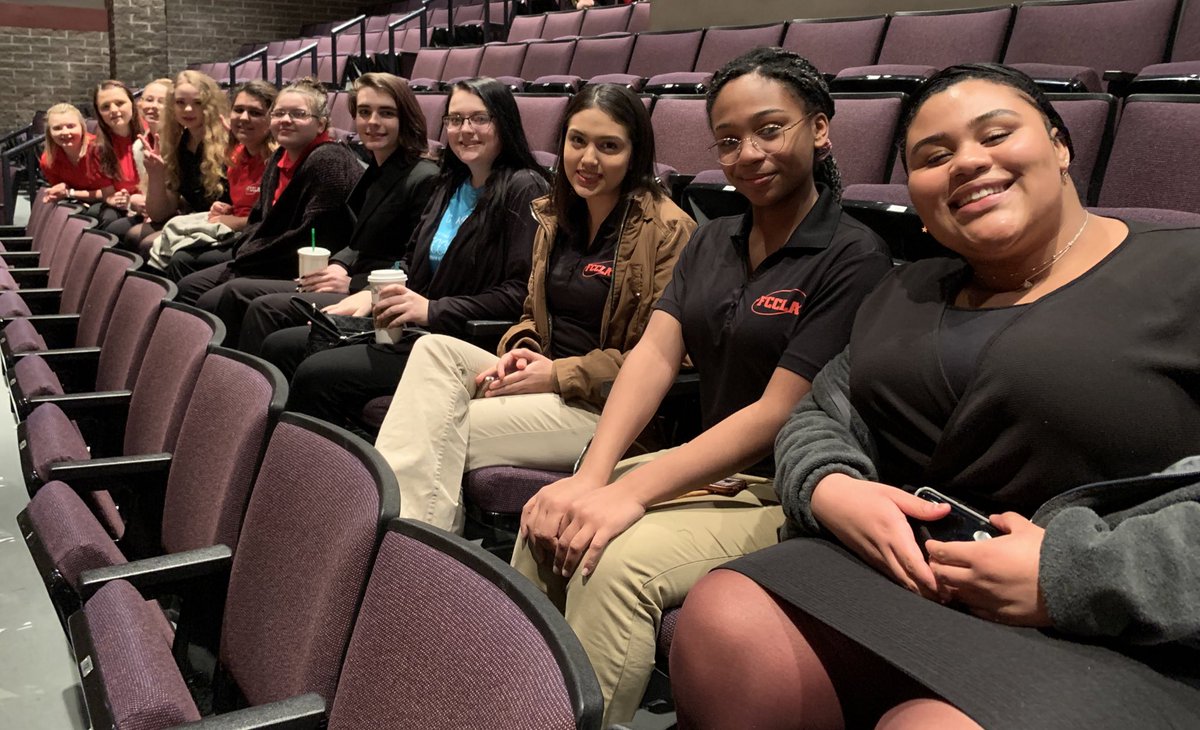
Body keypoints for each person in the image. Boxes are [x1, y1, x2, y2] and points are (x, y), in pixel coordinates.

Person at [669, 63, 1200, 730]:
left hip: (1116, 627)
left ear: (1061, 144)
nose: (967, 164)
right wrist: (830, 486)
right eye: (933, 155)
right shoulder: (906, 288)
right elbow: (819, 415)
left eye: (995, 134)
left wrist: (1070, 573)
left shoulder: (1186, 271)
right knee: (726, 622)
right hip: (905, 576)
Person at [501, 49, 892, 725]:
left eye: (771, 129)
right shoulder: (712, 240)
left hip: (789, 490)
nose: (749, 154)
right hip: (708, 475)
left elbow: (777, 411)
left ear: (820, 129)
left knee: (608, 561)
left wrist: (628, 491)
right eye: (730, 140)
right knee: (550, 516)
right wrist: (593, 474)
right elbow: (653, 357)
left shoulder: (855, 256)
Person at [372, 82, 696, 524]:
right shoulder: (556, 215)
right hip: (542, 382)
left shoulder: (669, 231)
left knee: (431, 428)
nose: (587, 159)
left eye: (608, 146)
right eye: (577, 140)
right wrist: (521, 348)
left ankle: (409, 547)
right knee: (434, 351)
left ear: (635, 153)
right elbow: (530, 313)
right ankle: (417, 543)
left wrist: (557, 375)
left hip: (606, 411)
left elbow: (663, 361)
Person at [259, 76, 549, 433]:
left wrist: (431, 309)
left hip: (463, 341)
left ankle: (328, 478)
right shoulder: (451, 184)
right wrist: (369, 295)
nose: (465, 129)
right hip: (415, 329)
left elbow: (519, 294)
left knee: (318, 373)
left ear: (503, 122)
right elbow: (410, 262)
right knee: (281, 345)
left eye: (479, 118)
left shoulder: (524, 187)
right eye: (455, 120)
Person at [210, 72, 438, 352]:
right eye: (365, 112)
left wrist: (352, 282)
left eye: (386, 113)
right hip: (351, 277)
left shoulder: (423, 177)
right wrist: (339, 264)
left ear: (405, 118)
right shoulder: (378, 168)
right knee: (238, 294)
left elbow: (414, 262)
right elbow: (360, 241)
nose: (373, 122)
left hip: (377, 292)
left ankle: (252, 390)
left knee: (262, 308)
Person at [167, 77, 362, 309]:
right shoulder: (279, 157)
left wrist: (249, 255)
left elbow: (314, 236)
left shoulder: (329, 160)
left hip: (305, 267)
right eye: (279, 113)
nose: (286, 120)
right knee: (189, 285)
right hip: (269, 256)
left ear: (320, 124)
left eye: (298, 114)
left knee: (220, 295)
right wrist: (247, 252)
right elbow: (259, 219)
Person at [146, 79, 276, 270]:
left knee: (179, 258)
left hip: (259, 237)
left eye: (255, 113)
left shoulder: (275, 158)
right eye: (238, 110)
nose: (188, 110)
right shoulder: (236, 156)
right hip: (233, 227)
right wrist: (224, 209)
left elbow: (275, 218)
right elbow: (241, 205)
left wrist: (233, 219)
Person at [133, 70, 231, 253]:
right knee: (133, 235)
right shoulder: (178, 143)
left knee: (148, 244)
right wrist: (156, 175)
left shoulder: (226, 142)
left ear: (209, 106)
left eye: (197, 103)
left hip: (224, 223)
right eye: (180, 103)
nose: (187, 109)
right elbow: (159, 214)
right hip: (195, 220)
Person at [90, 80, 144, 226]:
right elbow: (109, 195)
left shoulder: (151, 132)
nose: (113, 110)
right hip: (127, 206)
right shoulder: (97, 148)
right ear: (99, 113)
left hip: (156, 203)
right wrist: (120, 200)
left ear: (132, 104)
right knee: (109, 221)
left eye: (120, 103)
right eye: (105, 107)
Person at [38, 103, 113, 205]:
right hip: (76, 203)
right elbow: (61, 191)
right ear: (49, 133)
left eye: (70, 126)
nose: (64, 132)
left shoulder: (99, 150)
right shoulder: (48, 160)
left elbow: (110, 193)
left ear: (82, 127)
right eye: (57, 128)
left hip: (109, 202)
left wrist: (70, 193)